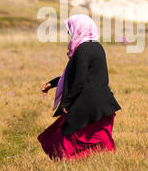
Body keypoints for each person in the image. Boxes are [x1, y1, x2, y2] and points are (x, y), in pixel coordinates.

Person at [38, 14, 121, 160]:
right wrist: (52, 83)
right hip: (103, 105)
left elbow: (79, 79)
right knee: (100, 147)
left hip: (89, 105)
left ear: (78, 29)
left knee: (63, 141)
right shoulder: (97, 47)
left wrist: (67, 102)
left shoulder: (83, 49)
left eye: (70, 30)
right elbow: (79, 75)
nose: (69, 33)